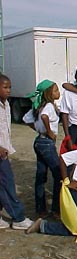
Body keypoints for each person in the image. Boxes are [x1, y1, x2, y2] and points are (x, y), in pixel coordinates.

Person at [0, 74, 33, 230]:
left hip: (4, 151)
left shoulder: (5, 104)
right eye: (5, 87)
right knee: (7, 184)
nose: (8, 90)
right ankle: (18, 218)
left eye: (9, 87)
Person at [25, 80, 62, 217]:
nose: (58, 93)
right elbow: (45, 116)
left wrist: (38, 129)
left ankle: (40, 209)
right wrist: (49, 131)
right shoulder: (49, 107)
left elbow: (26, 119)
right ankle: (56, 209)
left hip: (39, 141)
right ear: (48, 93)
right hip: (46, 143)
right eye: (56, 91)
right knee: (58, 174)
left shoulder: (38, 106)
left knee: (41, 176)